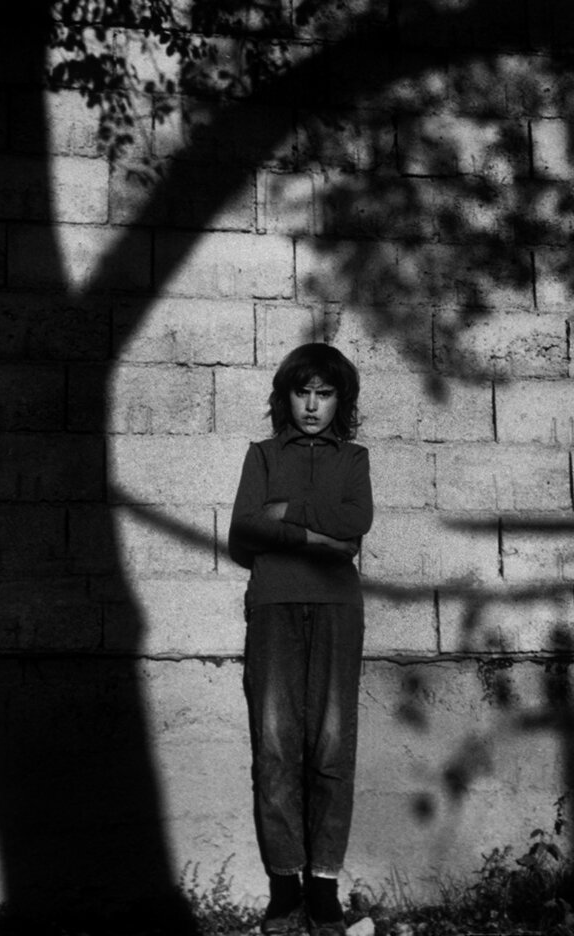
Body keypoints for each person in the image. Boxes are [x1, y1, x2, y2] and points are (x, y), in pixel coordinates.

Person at [228, 343, 374, 936]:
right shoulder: (261, 455)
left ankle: (323, 890)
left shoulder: (355, 458)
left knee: (332, 748)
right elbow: (245, 526)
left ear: (340, 401)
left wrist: (286, 513)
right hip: (274, 606)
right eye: (302, 392)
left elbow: (356, 522)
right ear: (286, 396)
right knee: (276, 747)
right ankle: (284, 888)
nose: (312, 406)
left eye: (325, 394)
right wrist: (320, 539)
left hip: (339, 609)